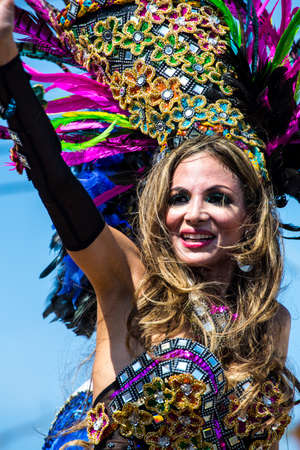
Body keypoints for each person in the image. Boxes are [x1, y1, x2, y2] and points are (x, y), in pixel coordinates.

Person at [0, 0, 299, 448]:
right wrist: (5, 58)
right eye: (178, 198)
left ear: (250, 218)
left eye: (217, 198)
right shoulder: (131, 278)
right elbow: (58, 186)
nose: (193, 214)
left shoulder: (270, 321)